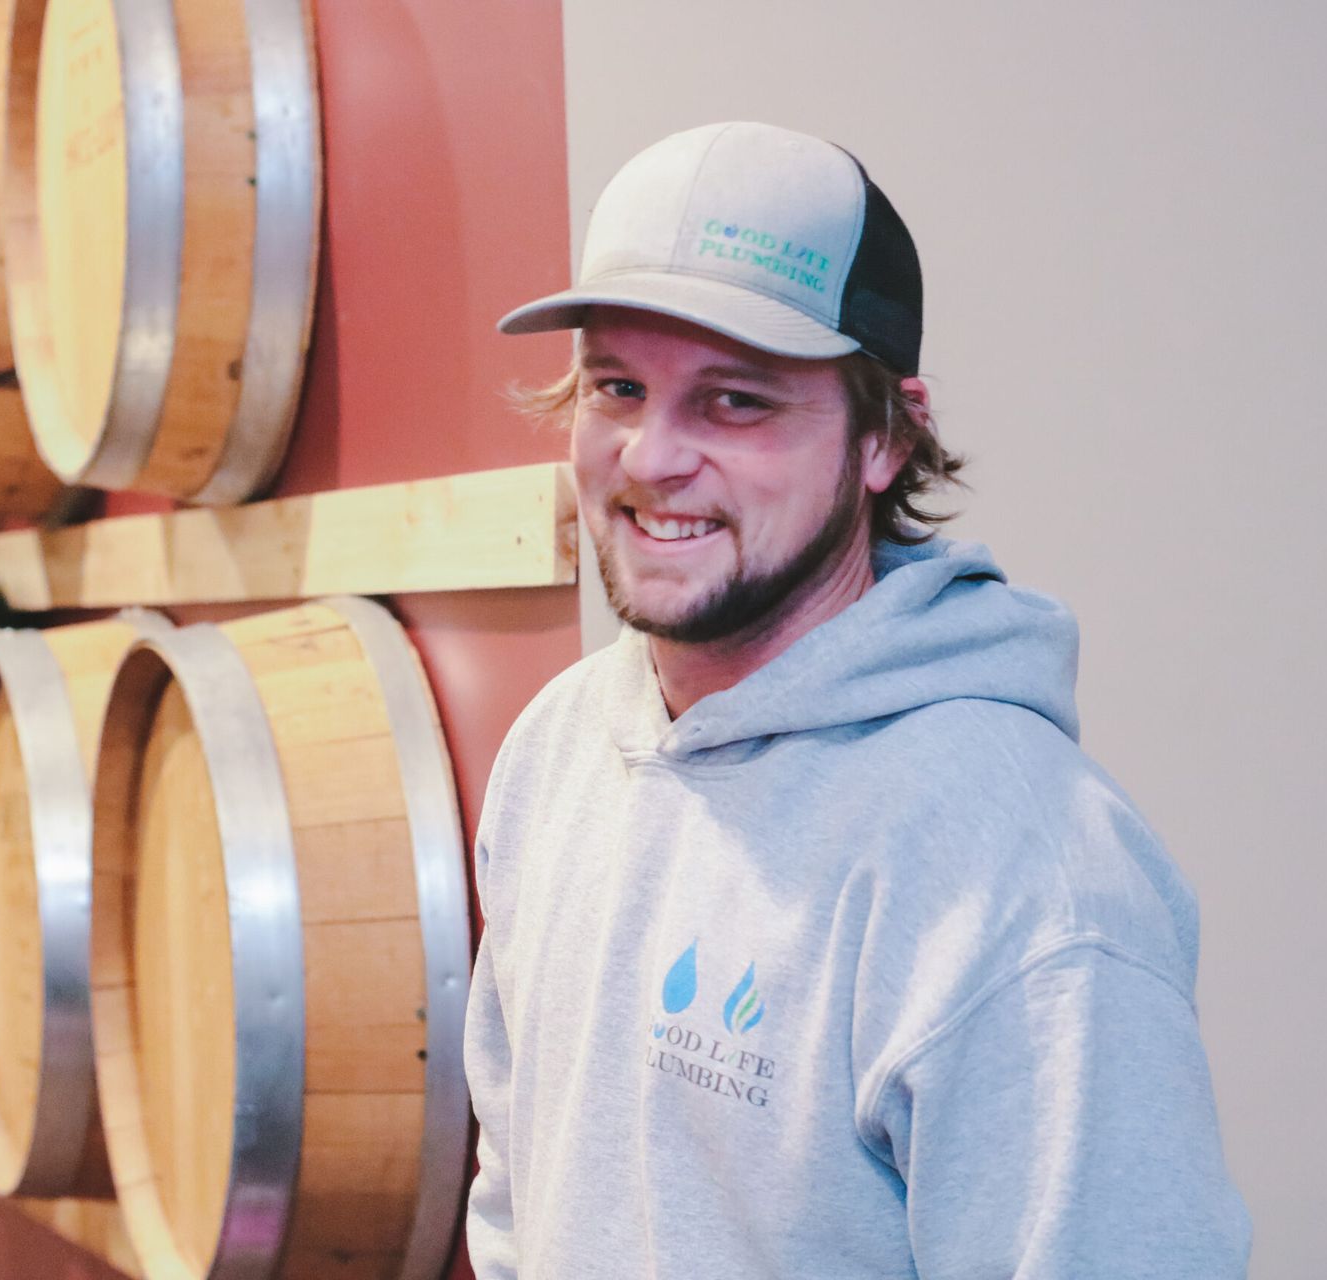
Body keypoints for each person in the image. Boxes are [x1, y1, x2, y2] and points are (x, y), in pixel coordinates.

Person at [463, 120, 1251, 1278]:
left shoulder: (1022, 868)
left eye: (735, 401)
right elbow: (520, 1207)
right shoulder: (558, 749)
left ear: (886, 435)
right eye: (617, 386)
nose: (648, 457)